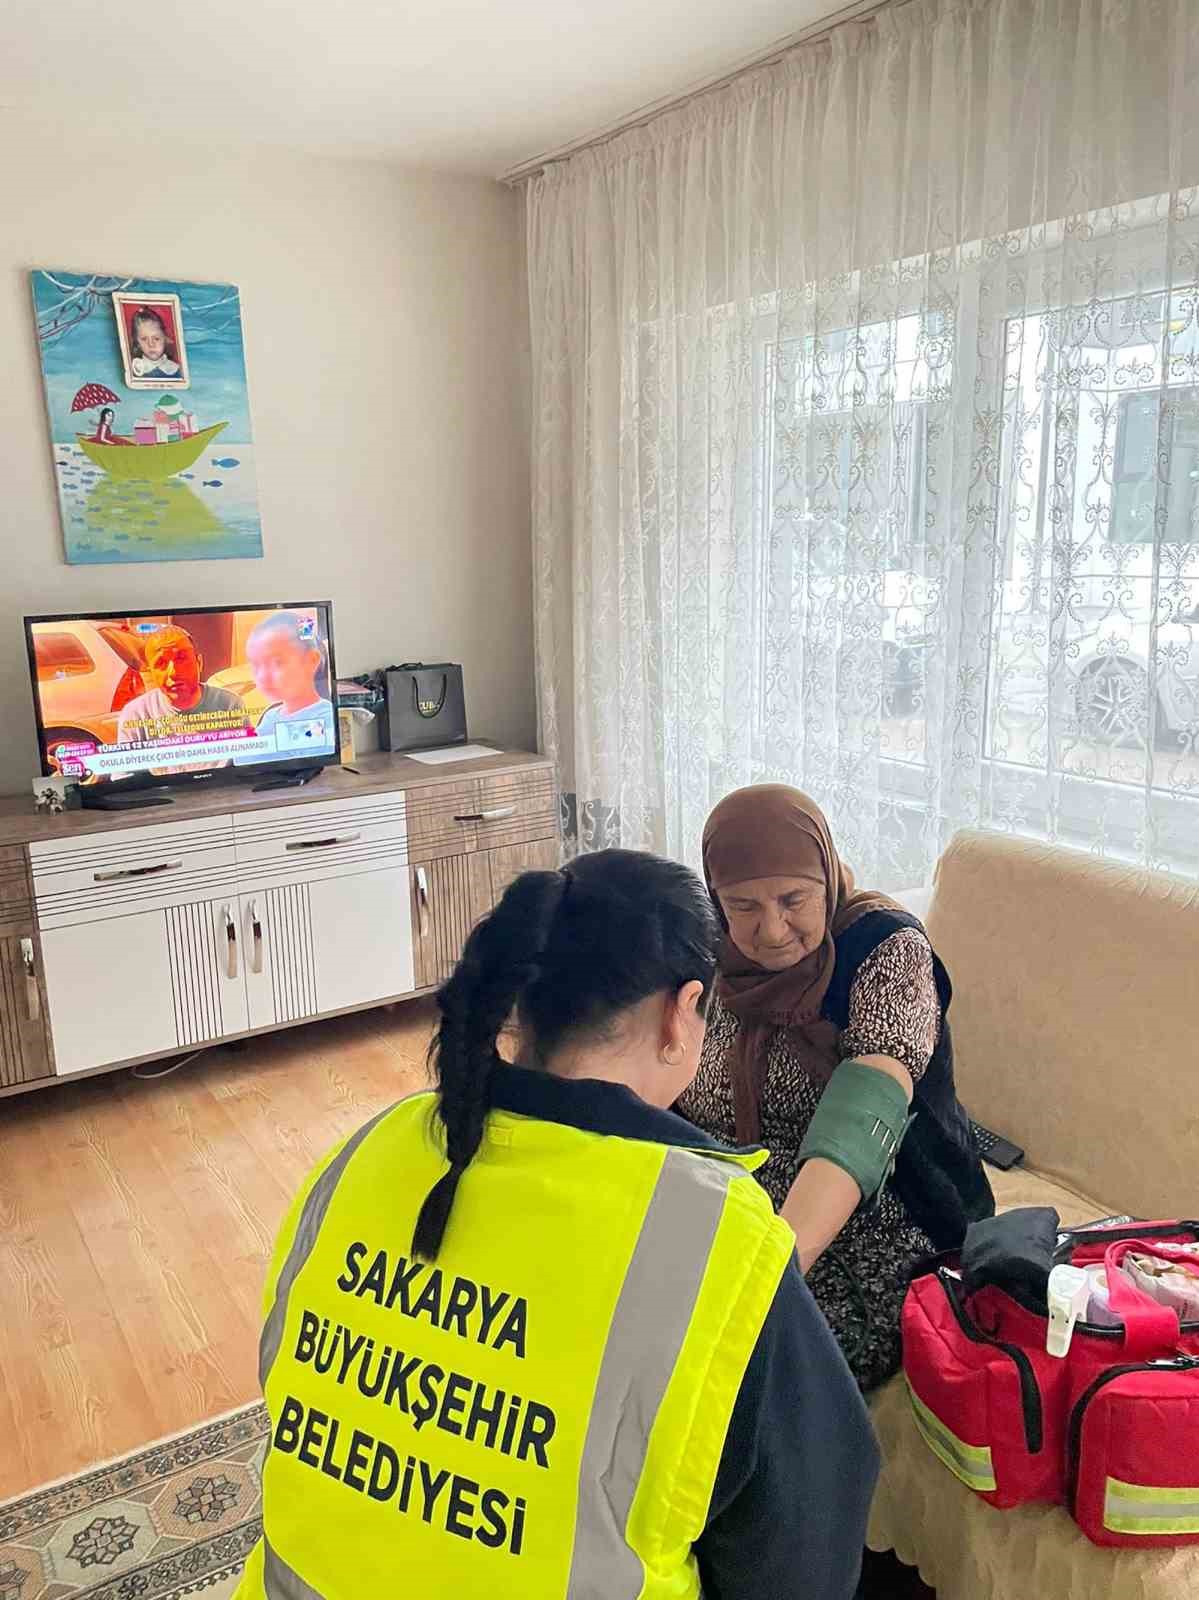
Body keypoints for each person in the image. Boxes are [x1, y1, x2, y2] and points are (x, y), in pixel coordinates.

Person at [235, 850, 879, 1599]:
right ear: (682, 1012)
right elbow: (807, 1538)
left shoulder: (369, 1148)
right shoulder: (711, 1236)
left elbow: (284, 1375)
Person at [678, 785, 994, 1393]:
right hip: (733, 1196)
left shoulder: (884, 950)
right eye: (743, 905)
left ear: (825, 876)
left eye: (793, 899)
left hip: (877, 1214)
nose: (772, 930)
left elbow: (866, 1112)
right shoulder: (709, 954)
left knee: (759, 1361)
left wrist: (772, 1268)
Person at [116, 626, 247, 747]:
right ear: (152, 673)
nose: (173, 672)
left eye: (181, 659)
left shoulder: (230, 705)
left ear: (199, 663)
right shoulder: (135, 715)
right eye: (161, 663)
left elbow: (247, 760)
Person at [245, 611, 335, 756]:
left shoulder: (326, 717)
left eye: (277, 662)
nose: (262, 676)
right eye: (256, 665)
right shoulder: (270, 716)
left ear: (312, 660)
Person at [128, 306, 183, 379]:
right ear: (137, 342)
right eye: (144, 339)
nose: (151, 344)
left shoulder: (175, 370)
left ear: (165, 338)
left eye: (156, 339)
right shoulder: (135, 369)